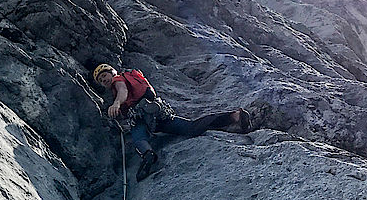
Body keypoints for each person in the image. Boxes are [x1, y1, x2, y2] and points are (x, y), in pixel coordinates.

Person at [92, 64, 252, 181]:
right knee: (191, 127)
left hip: (141, 115)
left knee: (138, 136)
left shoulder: (118, 80)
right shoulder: (130, 76)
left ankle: (148, 155)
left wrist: (117, 103)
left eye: (104, 75)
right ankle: (235, 116)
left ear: (112, 72)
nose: (103, 80)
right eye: (100, 80)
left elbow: (123, 91)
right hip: (157, 112)